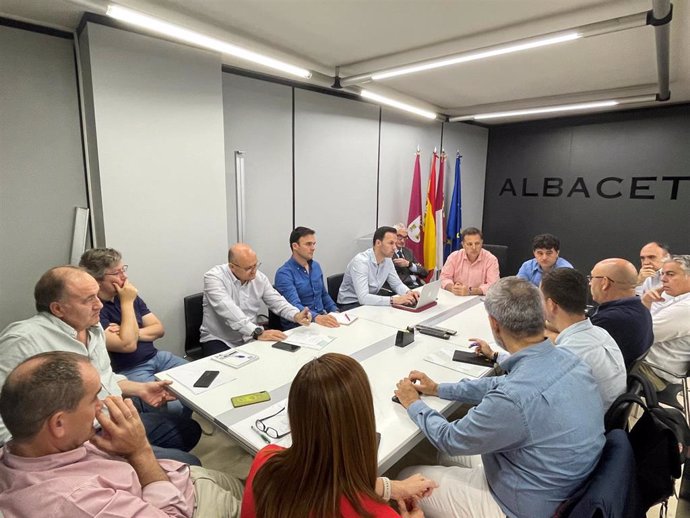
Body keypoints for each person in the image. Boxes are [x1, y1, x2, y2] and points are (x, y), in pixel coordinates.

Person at [394, 277, 605, 518]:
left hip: (522, 506)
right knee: (446, 457)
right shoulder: (571, 360)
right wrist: (440, 388)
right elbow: (501, 382)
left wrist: (413, 403)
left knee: (406, 475)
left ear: (494, 324)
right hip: (562, 484)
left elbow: (449, 438)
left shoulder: (512, 399)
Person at [0, 351, 243, 518]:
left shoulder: (27, 448)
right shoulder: (78, 502)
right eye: (94, 396)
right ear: (59, 424)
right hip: (189, 505)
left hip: (175, 477)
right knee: (264, 500)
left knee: (247, 482)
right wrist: (139, 450)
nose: (103, 403)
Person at [0, 266, 200, 463]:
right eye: (89, 299)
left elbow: (106, 379)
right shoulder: (24, 340)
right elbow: (5, 419)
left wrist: (142, 389)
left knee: (189, 430)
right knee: (189, 463)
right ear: (58, 309)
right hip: (74, 442)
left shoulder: (92, 327)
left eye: (97, 296)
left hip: (108, 421)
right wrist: (62, 456)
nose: (100, 305)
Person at [241, 352, 436, 518]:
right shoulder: (377, 513)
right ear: (363, 421)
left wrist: (390, 487)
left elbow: (328, 482)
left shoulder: (265, 459)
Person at [80, 248, 190, 417]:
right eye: (117, 273)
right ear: (97, 279)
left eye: (123, 270)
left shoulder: (126, 294)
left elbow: (158, 329)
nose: (124, 277)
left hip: (157, 357)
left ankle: (185, 425)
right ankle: (175, 432)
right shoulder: (95, 307)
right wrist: (127, 302)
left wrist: (131, 332)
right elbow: (127, 345)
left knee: (198, 379)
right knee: (173, 407)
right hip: (129, 370)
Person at [200, 243, 312, 356]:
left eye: (255, 265)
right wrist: (256, 332)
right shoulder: (214, 278)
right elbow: (228, 310)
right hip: (220, 338)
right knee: (230, 369)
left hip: (250, 336)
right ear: (232, 267)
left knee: (277, 358)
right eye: (248, 268)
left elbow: (276, 301)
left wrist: (296, 315)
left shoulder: (259, 278)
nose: (254, 271)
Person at [635, 255, 690, 390]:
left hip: (653, 373)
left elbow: (640, 336)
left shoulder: (686, 308)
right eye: (663, 274)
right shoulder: (674, 297)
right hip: (646, 364)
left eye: (670, 274)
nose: (663, 279)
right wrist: (646, 302)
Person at [588, 258, 654, 368]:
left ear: (605, 282)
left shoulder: (609, 320)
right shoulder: (640, 307)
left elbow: (572, 350)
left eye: (592, 278)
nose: (589, 283)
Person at [337, 226, 418, 310]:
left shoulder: (387, 260)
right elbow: (363, 298)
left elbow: (397, 284)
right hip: (350, 304)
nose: (395, 247)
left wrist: (409, 293)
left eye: (395, 243)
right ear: (378, 243)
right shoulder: (361, 261)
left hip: (369, 301)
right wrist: (395, 300)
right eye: (391, 243)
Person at [274, 227, 340, 329]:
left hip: (320, 320)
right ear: (295, 246)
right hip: (299, 325)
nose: (313, 248)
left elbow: (323, 295)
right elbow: (294, 305)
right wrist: (317, 317)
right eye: (308, 244)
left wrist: (336, 312)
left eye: (314, 244)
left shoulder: (316, 266)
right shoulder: (284, 274)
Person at [439, 227, 499, 296]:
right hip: (456, 297)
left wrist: (470, 291)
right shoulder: (454, 257)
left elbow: (494, 286)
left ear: (482, 243)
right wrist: (452, 288)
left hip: (478, 299)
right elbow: (444, 278)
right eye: (469, 244)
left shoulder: (491, 260)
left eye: (477, 243)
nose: (474, 247)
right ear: (463, 244)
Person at [392, 223, 429, 289]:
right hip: (402, 290)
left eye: (405, 237)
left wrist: (409, 264)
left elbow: (424, 273)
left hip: (418, 287)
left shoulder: (408, 252)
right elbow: (394, 280)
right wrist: (414, 276)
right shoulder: (388, 253)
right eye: (400, 237)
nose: (403, 241)